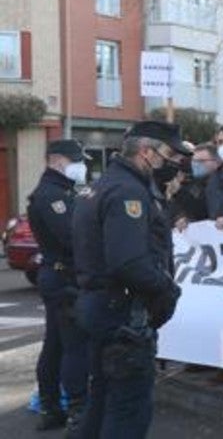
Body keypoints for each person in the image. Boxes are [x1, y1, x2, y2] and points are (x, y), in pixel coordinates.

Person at [72, 122, 188, 438]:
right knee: (128, 409)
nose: (174, 163)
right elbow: (129, 262)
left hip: (101, 306)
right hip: (122, 313)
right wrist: (167, 289)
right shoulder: (127, 191)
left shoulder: (103, 185)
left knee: (102, 399)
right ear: (146, 152)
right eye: (169, 154)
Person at [28, 139, 90, 432]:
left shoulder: (63, 192)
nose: (82, 165)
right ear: (57, 160)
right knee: (73, 346)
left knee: (55, 344)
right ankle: (77, 409)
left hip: (59, 276)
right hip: (63, 279)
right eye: (76, 159)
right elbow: (71, 237)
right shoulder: (52, 196)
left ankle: (51, 408)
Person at [171, 143, 216, 230]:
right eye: (194, 161)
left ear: (216, 161)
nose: (195, 164)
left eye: (201, 161)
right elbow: (180, 205)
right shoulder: (189, 184)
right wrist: (181, 217)